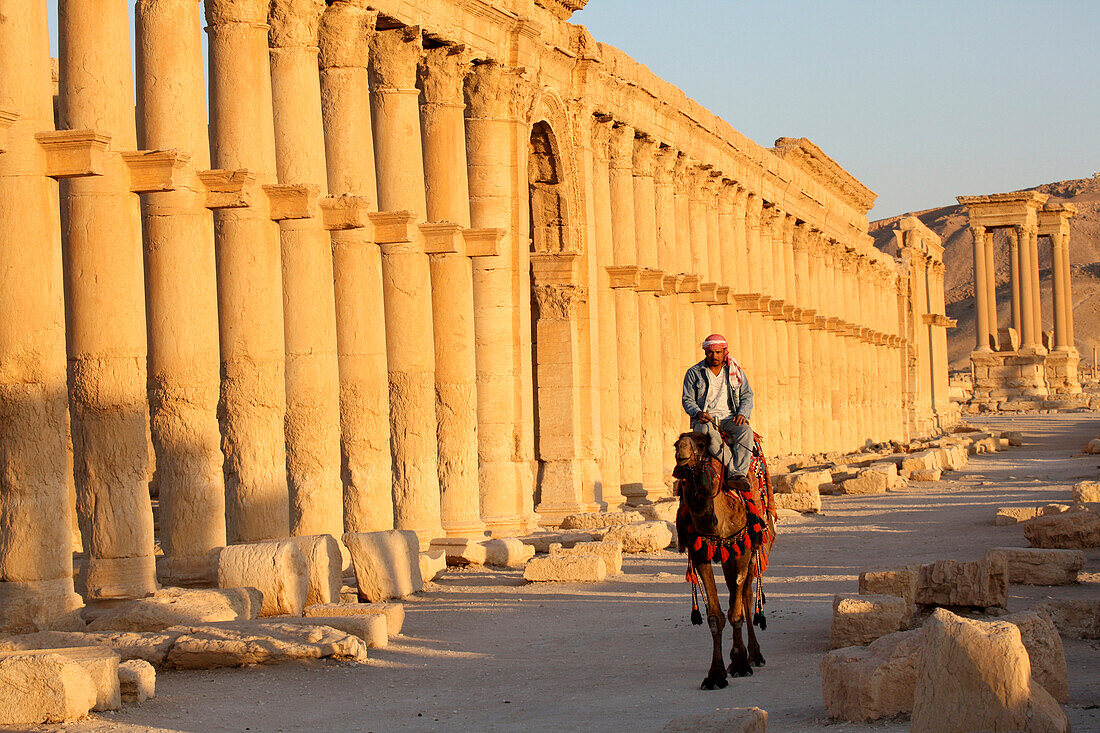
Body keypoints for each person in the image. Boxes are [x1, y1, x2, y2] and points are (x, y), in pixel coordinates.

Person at [681, 333, 755, 487]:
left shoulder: (735, 372)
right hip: (705, 420)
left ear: (724, 352)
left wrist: (742, 413)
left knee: (746, 431)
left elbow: (747, 395)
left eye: (718, 352)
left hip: (730, 418)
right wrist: (698, 413)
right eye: (710, 352)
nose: (714, 355)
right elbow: (687, 400)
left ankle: (740, 474)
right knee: (709, 433)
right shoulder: (694, 373)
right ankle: (734, 470)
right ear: (705, 352)